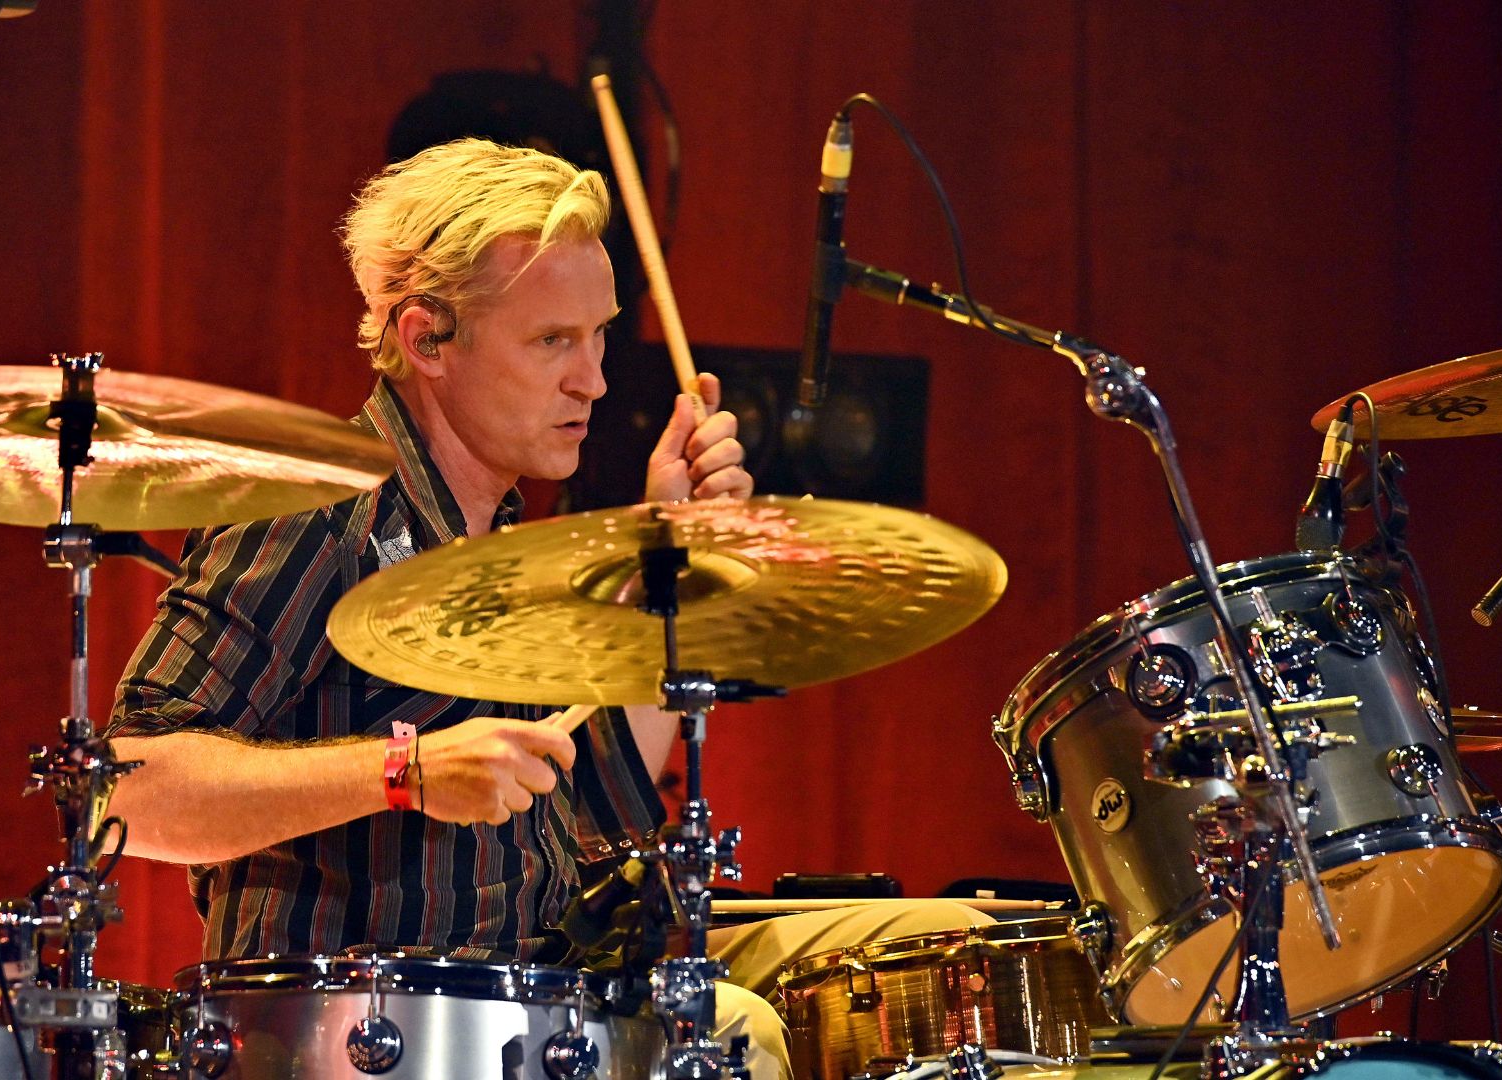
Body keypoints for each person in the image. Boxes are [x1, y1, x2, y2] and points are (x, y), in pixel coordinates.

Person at [104, 138, 987, 1078]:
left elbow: (597, 795)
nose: (594, 381)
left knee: (951, 954)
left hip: (545, 978)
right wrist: (404, 772)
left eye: (599, 335)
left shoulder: (511, 545)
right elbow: (125, 790)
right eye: (552, 341)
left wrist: (669, 560)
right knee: (733, 1031)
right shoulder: (320, 515)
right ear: (425, 339)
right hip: (373, 1030)